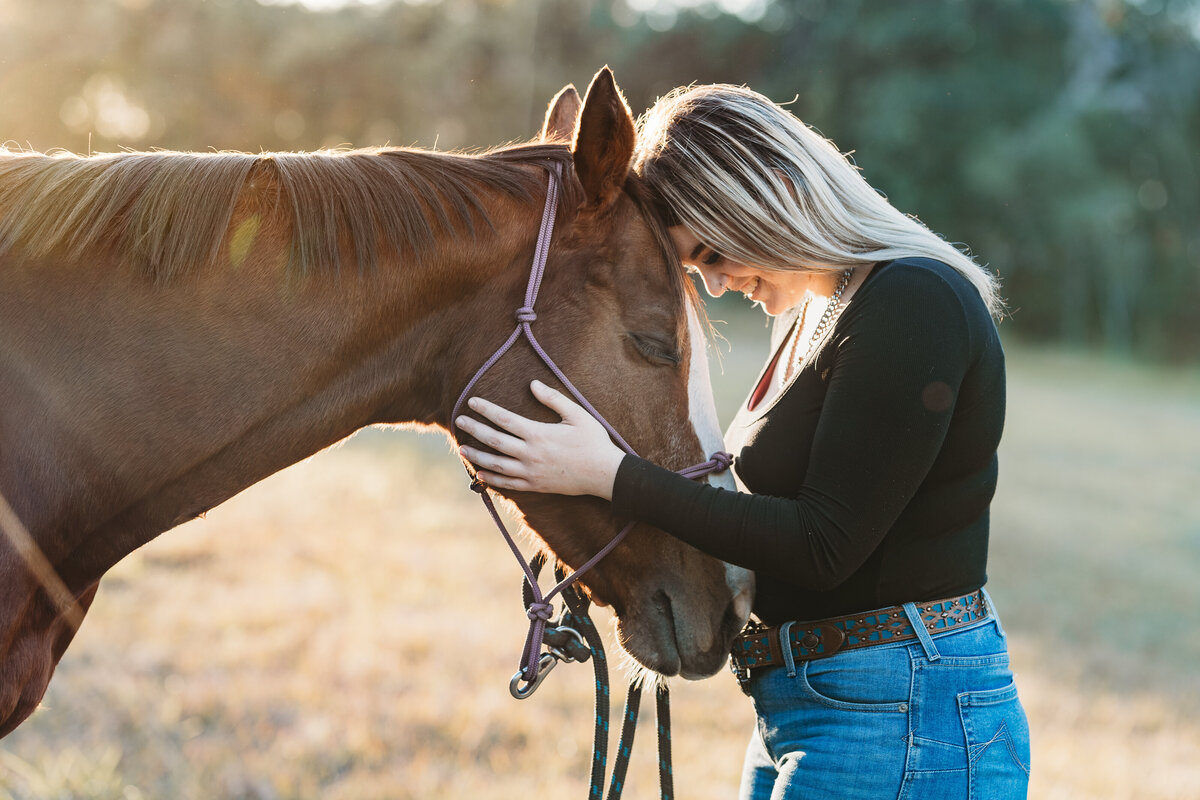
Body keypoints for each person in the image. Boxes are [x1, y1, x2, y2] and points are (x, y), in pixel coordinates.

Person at [454, 83, 1030, 799]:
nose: (720, 286)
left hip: (904, 712)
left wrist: (612, 475)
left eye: (714, 254)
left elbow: (823, 544)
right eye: (698, 270)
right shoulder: (816, 316)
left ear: (773, 189)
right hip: (811, 706)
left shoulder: (914, 301)